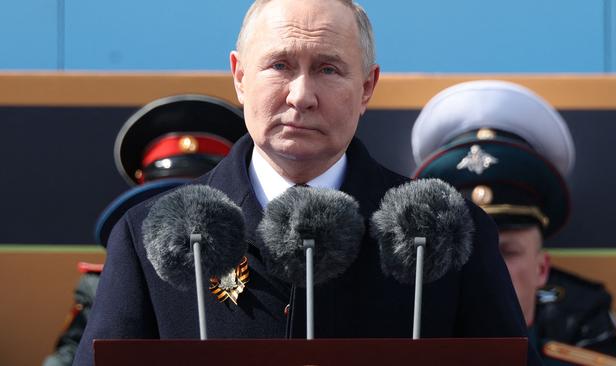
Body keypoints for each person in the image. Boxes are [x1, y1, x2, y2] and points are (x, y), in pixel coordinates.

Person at [73, 2, 540, 365]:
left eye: (328, 69)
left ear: (367, 88)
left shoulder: (448, 231)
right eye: (279, 65)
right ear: (239, 76)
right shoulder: (145, 233)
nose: (301, 96)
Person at [411, 80, 616, 365]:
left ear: (542, 269)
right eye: (467, 252)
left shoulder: (580, 322)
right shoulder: (407, 324)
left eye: (507, 252)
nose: (486, 270)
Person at [43, 95, 246, 366]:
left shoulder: (263, 269)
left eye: (198, 210)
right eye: (167, 211)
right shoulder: (101, 283)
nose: (185, 226)